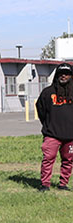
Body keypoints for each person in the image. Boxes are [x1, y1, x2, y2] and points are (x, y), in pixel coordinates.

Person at [35, 62, 73, 192]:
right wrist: (47, 123)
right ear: (56, 75)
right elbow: (40, 109)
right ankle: (45, 184)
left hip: (70, 136)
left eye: (67, 74)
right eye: (61, 73)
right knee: (48, 159)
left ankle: (63, 184)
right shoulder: (48, 92)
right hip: (52, 134)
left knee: (68, 160)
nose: (64, 76)